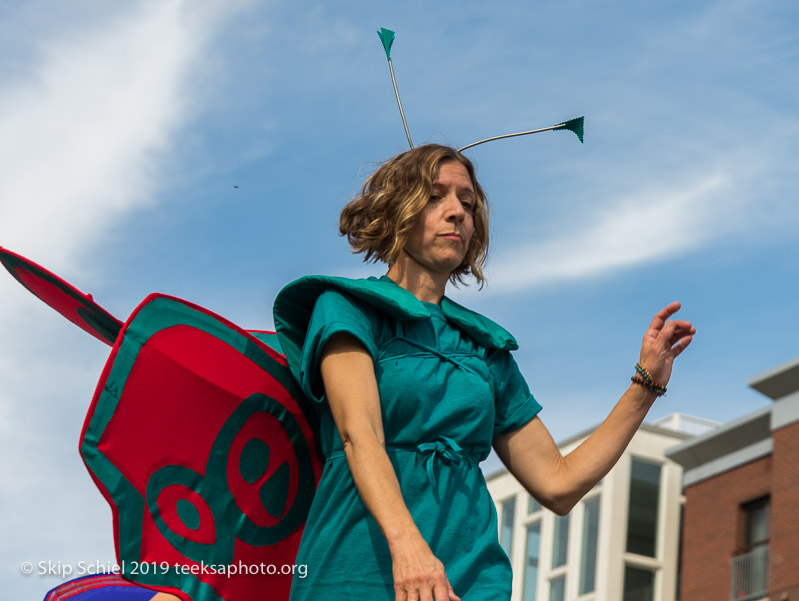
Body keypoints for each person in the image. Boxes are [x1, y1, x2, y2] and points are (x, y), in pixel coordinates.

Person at [272, 144, 695, 601]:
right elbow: (361, 436)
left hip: (471, 580)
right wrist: (410, 549)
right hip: (358, 571)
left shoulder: (485, 348)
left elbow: (558, 484)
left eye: (467, 203)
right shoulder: (347, 309)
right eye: (435, 197)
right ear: (397, 211)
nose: (456, 212)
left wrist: (646, 385)